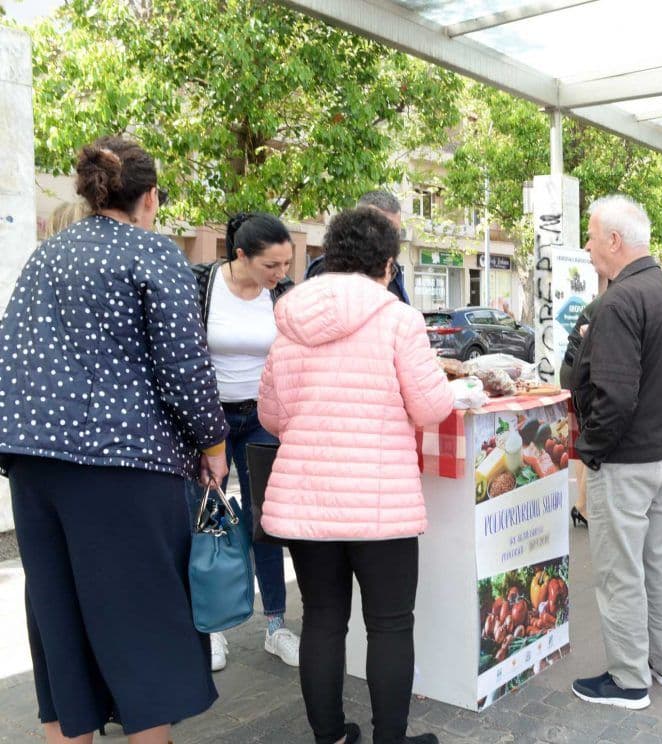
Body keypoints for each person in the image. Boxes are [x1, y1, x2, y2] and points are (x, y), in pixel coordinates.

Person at [0, 136, 228, 743]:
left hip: (36, 466)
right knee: (142, 627)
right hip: (125, 464)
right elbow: (185, 369)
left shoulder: (44, 258)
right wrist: (212, 446)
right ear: (150, 198)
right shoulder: (152, 254)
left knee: (59, 623)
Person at [258, 208, 453, 744]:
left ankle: (331, 737)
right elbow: (432, 405)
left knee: (322, 620)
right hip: (379, 502)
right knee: (390, 624)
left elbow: (272, 416)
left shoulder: (289, 320)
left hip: (306, 500)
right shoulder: (398, 319)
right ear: (386, 264)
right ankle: (390, 737)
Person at [570, 195, 662, 709]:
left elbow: (615, 395)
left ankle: (628, 680)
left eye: (593, 236)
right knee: (659, 563)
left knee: (621, 573)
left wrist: (589, 448)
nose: (588, 246)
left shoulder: (620, 301)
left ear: (614, 241)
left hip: (626, 458)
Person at [190, 213, 299, 672]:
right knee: (206, 522)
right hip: (208, 420)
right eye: (272, 265)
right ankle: (211, 629)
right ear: (241, 256)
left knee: (264, 522)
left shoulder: (281, 295)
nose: (281, 274)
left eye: (285, 264)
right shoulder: (201, 286)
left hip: (260, 417)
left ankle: (275, 624)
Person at [559, 276, 609, 529]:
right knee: (586, 441)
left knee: (580, 443)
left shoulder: (604, 302)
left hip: (574, 373)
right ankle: (585, 506)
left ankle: (583, 504)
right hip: (580, 376)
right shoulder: (608, 304)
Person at [306, 190, 410, 302]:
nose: (390, 240)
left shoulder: (394, 270)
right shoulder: (328, 271)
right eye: (383, 230)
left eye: (395, 234)